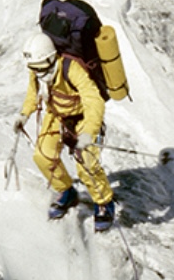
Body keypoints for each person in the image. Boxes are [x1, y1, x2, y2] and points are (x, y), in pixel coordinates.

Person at [14, 31, 116, 232]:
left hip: (83, 119)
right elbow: (33, 94)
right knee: (43, 156)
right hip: (57, 117)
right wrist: (24, 115)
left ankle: (104, 202)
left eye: (41, 68)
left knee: (86, 163)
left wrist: (88, 131)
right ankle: (66, 191)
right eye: (34, 69)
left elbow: (93, 100)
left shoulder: (72, 69)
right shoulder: (38, 70)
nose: (38, 73)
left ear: (51, 59)